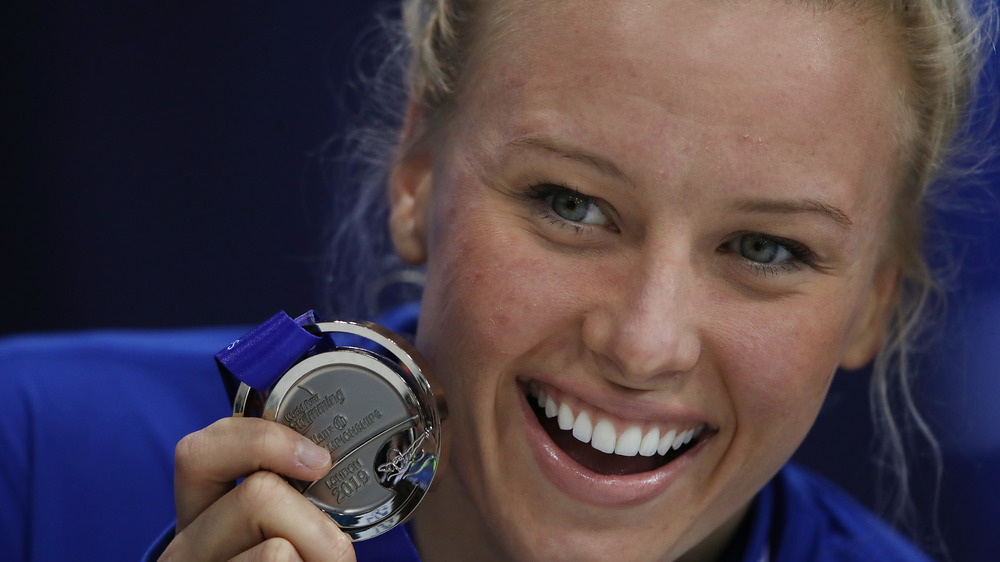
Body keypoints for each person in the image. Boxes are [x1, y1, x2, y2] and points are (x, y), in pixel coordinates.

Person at [3, 0, 990, 560]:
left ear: (872, 303)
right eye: (569, 203)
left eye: (766, 249)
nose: (644, 342)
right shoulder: (30, 455)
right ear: (416, 174)